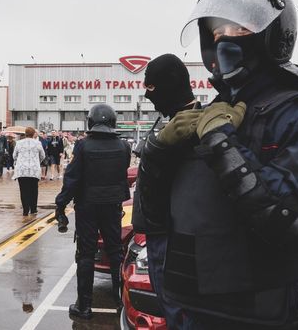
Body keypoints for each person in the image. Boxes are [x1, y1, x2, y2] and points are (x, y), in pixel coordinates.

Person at [140, 0, 298, 329]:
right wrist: (157, 151)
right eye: (216, 33)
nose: (224, 41)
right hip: (191, 309)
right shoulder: (206, 113)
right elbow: (153, 220)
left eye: (239, 31)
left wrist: (221, 141)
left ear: (272, 36)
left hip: (258, 316)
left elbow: (292, 224)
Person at [131, 53, 199, 328]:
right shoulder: (173, 122)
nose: (148, 96)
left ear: (169, 86)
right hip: (160, 233)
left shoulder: (190, 127)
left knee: (178, 312)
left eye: (151, 88)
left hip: (173, 238)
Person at [55, 104, 131, 319]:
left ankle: (84, 306)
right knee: (115, 252)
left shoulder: (83, 146)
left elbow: (72, 179)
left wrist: (60, 203)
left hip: (87, 206)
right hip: (112, 205)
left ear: (91, 122)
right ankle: (119, 302)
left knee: (86, 254)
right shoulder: (123, 146)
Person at [12, 127, 45, 216]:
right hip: (34, 170)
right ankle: (33, 209)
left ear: (25, 133)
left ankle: (25, 210)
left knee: (23, 190)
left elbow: (14, 156)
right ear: (34, 133)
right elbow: (43, 155)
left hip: (22, 170)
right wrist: (37, 161)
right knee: (34, 190)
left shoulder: (19, 143)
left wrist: (18, 161)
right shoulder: (38, 143)